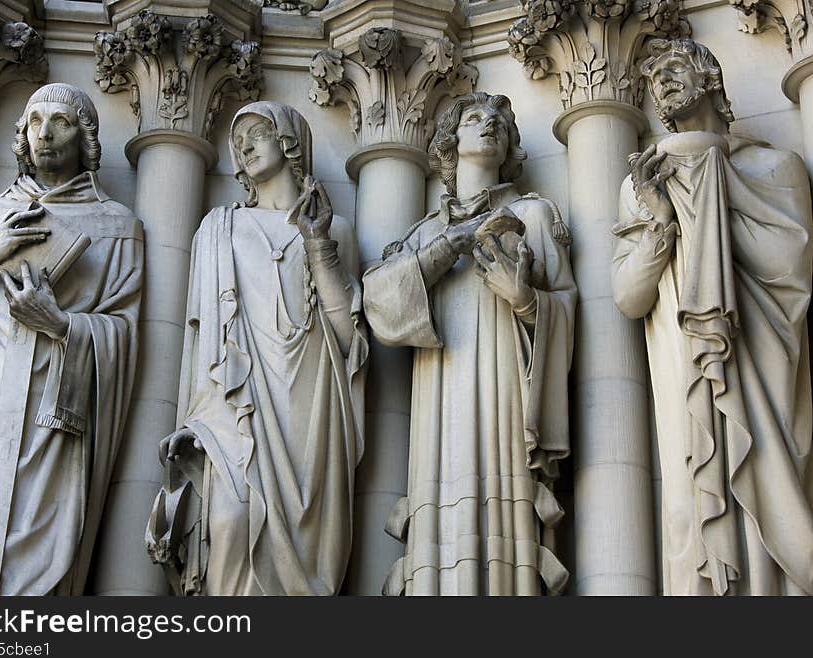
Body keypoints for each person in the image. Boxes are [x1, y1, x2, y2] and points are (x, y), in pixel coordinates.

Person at [612, 38, 813, 595]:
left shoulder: (774, 165)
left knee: (771, 493)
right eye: (653, 77)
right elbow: (629, 298)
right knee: (687, 509)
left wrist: (710, 195)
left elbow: (792, 268)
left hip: (760, 361)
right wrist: (662, 224)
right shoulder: (641, 187)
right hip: (680, 367)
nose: (662, 82)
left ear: (713, 82)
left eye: (675, 69)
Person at [146, 101, 367, 596]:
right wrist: (192, 421)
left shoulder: (336, 231)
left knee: (312, 544)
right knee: (230, 520)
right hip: (233, 409)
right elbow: (201, 349)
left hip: (312, 405)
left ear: (290, 141)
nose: (244, 146)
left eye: (257, 133)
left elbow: (349, 336)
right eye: (238, 139)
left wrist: (318, 244)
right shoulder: (217, 230)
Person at [0, 83, 144, 595]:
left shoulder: (118, 227)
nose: (44, 133)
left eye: (61, 122)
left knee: (35, 570)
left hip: (53, 424)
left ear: (87, 138)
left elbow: (125, 336)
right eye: (34, 121)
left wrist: (62, 324)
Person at [363, 92, 577, 596]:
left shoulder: (535, 215)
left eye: (500, 122)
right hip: (442, 396)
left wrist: (526, 300)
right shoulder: (423, 232)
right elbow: (379, 305)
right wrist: (447, 247)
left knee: (504, 528)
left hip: (507, 391)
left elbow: (567, 306)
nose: (490, 127)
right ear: (449, 142)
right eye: (475, 120)